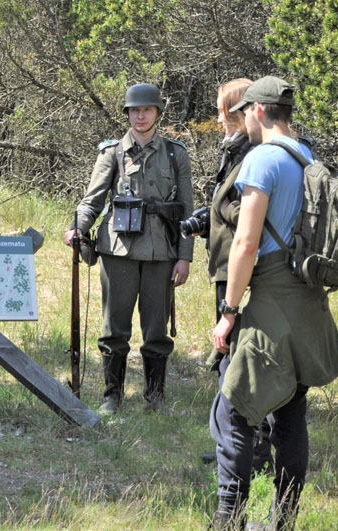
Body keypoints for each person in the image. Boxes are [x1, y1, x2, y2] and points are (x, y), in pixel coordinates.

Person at [209, 76, 338, 529]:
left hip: (271, 299)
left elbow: (246, 244)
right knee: (290, 412)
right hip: (308, 301)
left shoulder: (262, 160)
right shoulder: (307, 155)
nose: (243, 118)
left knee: (233, 410)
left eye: (245, 111)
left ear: (258, 112)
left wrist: (228, 313)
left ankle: (229, 520)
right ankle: (283, 521)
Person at [63, 83, 194, 415]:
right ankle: (112, 396)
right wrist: (78, 227)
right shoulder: (111, 153)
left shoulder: (176, 154)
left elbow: (187, 211)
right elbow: (91, 201)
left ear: (158, 114)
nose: (140, 116)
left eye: (147, 110)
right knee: (114, 326)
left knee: (156, 329)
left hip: (161, 251)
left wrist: (184, 256)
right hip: (117, 250)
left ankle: (155, 397)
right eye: (134, 110)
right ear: (127, 114)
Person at [198, 79, 273, 475]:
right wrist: (204, 217)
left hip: (242, 271)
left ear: (240, 112)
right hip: (226, 267)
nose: (218, 118)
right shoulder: (233, 151)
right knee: (229, 359)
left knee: (243, 360)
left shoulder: (253, 155)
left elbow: (246, 216)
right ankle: (232, 444)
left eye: (223, 110)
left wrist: (218, 209)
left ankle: (252, 449)